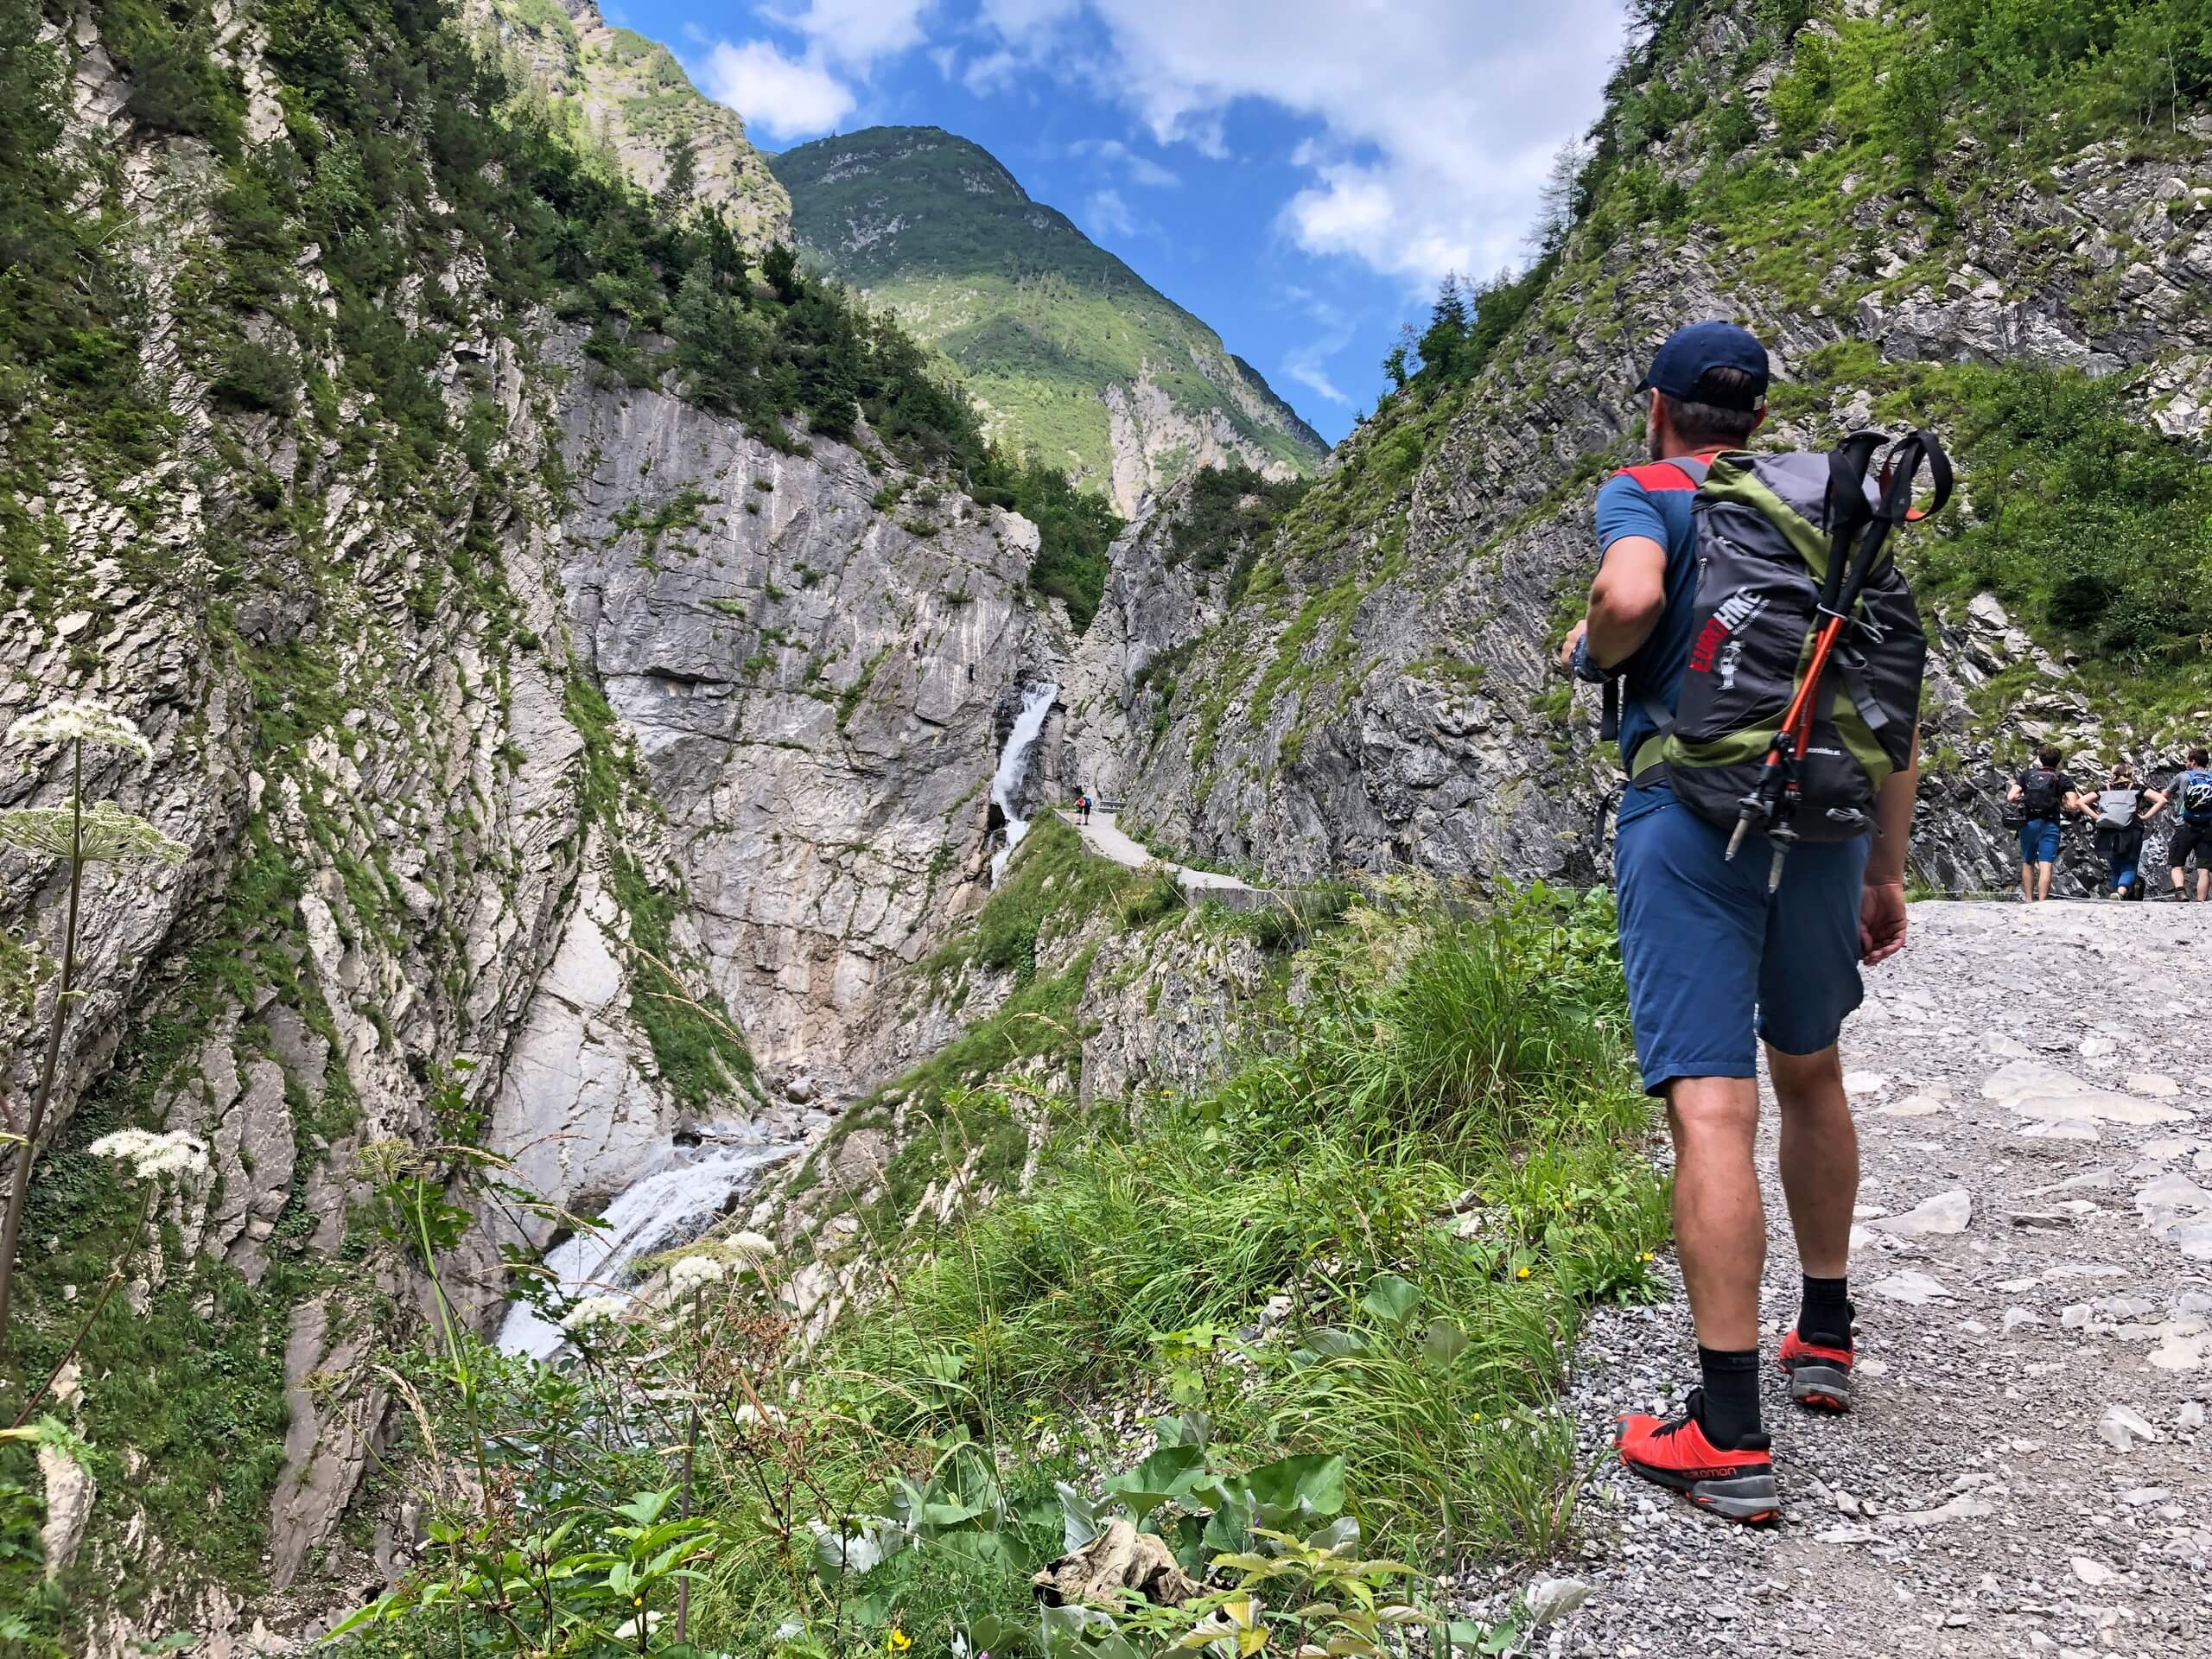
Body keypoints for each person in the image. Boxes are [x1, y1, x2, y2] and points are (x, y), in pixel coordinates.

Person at [1557, 321, 1916, 1525]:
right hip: (1826, 823)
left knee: (1712, 1106)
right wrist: (1883, 872)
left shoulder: (1648, 487)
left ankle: (1726, 1431)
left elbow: (1626, 596)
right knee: (1811, 1073)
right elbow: (1892, 704)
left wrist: (1597, 647)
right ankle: (1823, 1337)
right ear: (1759, 418)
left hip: (1692, 812)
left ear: (1656, 406)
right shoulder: (1834, 515)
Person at [2005, 747, 2082, 902]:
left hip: (2029, 823)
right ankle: (2042, 901)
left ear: (2040, 759)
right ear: (2058, 761)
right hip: (2050, 823)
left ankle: (2028, 899)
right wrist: (2062, 803)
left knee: (2028, 861)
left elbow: (2011, 796)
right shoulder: (2062, 778)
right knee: (2046, 862)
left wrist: (2023, 798)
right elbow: (2074, 805)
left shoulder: (2027, 775)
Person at [2088, 764, 2164, 900]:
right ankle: (2121, 892)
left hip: (2107, 830)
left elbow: (2080, 802)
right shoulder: (2136, 787)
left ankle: (2115, 893)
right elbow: (2161, 800)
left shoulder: (2105, 788)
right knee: (2129, 864)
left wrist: (2097, 817)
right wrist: (2145, 817)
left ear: (2114, 774)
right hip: (2131, 829)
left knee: (2115, 865)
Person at [2169, 746, 2212, 901]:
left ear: (2193, 762)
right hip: (2208, 825)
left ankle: (2181, 892)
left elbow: (2165, 795)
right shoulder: (2211, 778)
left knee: (2177, 863)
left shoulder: (2183, 776)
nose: (2186, 763)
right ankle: (2201, 902)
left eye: (2187, 760)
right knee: (2204, 869)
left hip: (2184, 823)